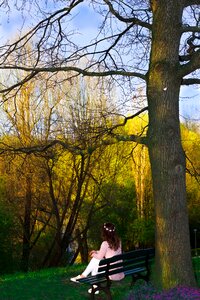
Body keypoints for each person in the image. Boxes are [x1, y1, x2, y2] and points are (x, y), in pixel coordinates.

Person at [70, 222, 124, 294]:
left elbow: (99, 257)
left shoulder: (105, 243)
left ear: (104, 233)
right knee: (96, 264)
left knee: (95, 261)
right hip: (118, 271)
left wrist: (93, 254)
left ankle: (86, 279)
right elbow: (107, 252)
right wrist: (96, 252)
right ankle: (90, 283)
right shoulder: (118, 241)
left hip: (111, 273)